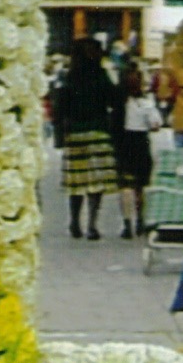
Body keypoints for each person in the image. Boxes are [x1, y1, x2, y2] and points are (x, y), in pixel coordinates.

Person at [57, 38, 121, 239]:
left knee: (76, 182)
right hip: (98, 131)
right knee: (96, 183)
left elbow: (61, 107)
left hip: (75, 133)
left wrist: (61, 134)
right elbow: (115, 99)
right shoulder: (101, 75)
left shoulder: (70, 77)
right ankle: (92, 223)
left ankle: (74, 220)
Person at [114, 54, 159, 238]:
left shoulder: (119, 103)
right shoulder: (146, 103)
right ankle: (141, 219)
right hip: (141, 142)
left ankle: (126, 224)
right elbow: (156, 123)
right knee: (141, 185)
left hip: (123, 143)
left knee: (125, 185)